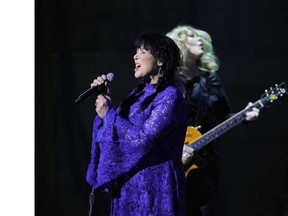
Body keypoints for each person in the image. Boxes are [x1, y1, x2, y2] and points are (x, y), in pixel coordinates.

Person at [86, 34, 188, 215]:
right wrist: (105, 103)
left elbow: (143, 140)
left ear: (161, 60)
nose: (135, 56)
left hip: (154, 187)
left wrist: (109, 114)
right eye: (136, 51)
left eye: (143, 51)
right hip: (128, 186)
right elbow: (116, 133)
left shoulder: (170, 96)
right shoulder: (138, 93)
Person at [166, 25, 260, 216]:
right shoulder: (169, 81)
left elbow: (225, 114)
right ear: (180, 44)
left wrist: (245, 116)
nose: (200, 39)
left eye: (202, 37)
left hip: (203, 160)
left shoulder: (210, 79)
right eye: (192, 36)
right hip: (171, 158)